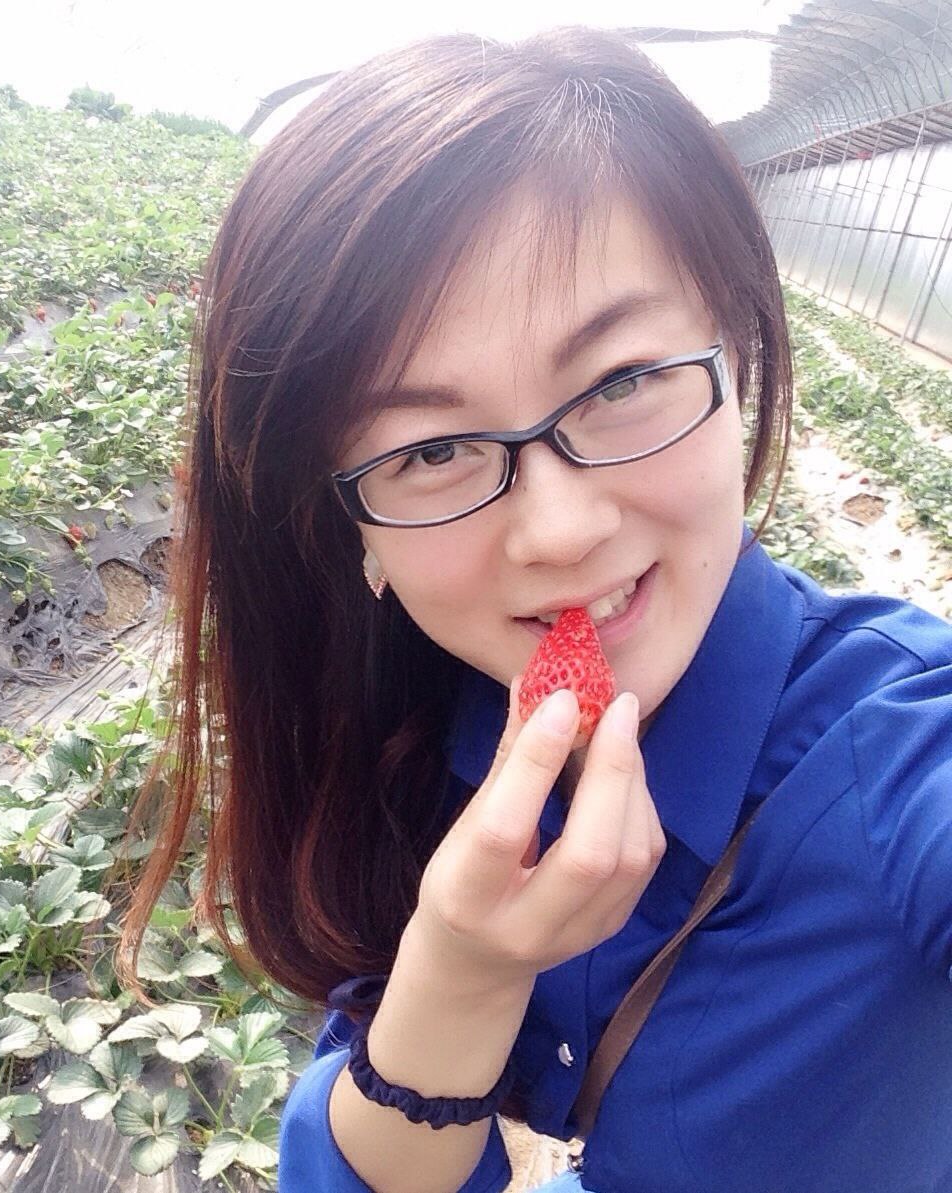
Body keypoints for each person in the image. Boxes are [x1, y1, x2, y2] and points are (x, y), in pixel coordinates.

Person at [117, 25, 952, 1193]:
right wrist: (458, 972)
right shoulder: (413, 727)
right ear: (348, 525)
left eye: (621, 381)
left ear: (738, 351)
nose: (558, 531)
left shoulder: (900, 746)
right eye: (433, 450)